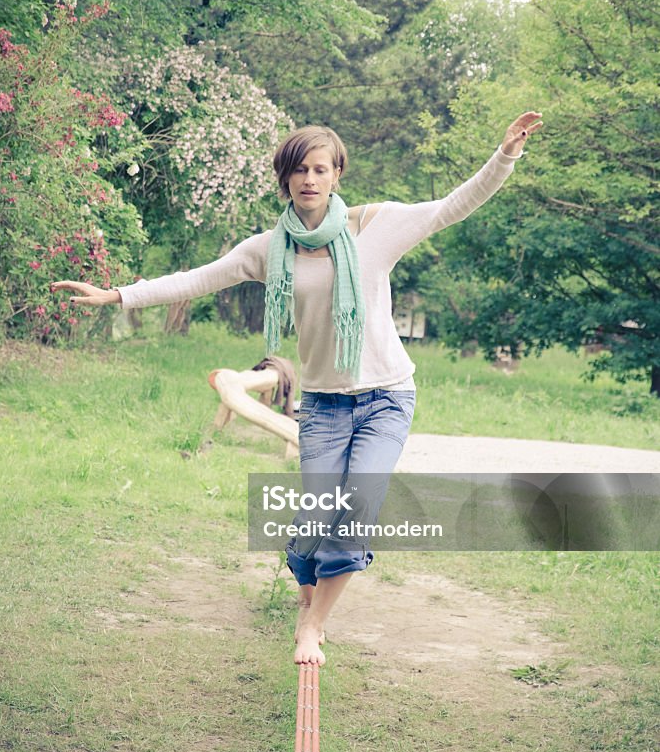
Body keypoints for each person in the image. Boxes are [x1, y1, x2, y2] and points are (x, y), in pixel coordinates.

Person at [52, 111, 543, 666]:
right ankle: (308, 587)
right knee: (313, 522)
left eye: (320, 169)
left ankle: (312, 623)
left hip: (387, 396)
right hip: (325, 405)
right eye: (299, 170)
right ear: (285, 179)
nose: (309, 179)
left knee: (354, 509)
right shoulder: (267, 249)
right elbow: (196, 279)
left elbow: (456, 203)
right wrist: (118, 295)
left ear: (336, 175)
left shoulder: (376, 228)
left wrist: (505, 154)